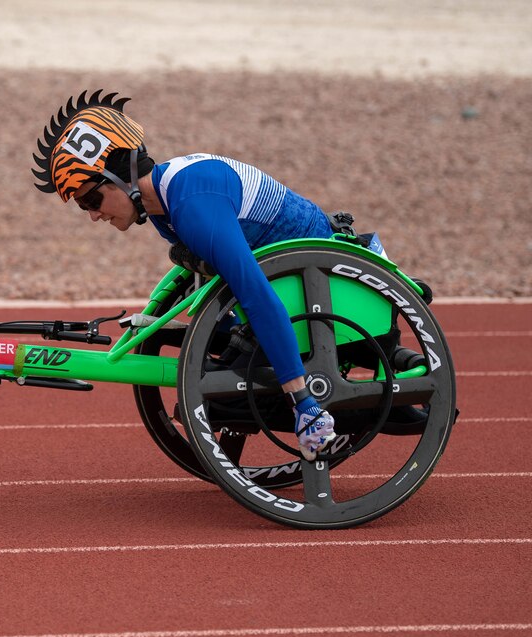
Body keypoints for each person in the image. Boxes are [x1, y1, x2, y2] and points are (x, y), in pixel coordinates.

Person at [32, 90, 341, 461]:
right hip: (289, 279)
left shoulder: (190, 204)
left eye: (90, 200)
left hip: (322, 283)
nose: (93, 215)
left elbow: (254, 294)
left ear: (121, 177)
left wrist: (303, 402)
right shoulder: (164, 201)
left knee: (227, 390)